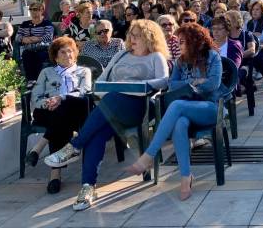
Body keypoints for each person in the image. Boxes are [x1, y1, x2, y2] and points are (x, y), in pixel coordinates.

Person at [43, 19, 170, 211]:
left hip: (139, 106)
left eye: (136, 35)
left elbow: (164, 81)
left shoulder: (155, 57)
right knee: (97, 134)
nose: (131, 38)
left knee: (112, 99)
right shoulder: (121, 55)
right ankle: (87, 187)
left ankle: (75, 146)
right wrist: (105, 90)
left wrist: (144, 85)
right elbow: (101, 81)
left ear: (149, 37)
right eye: (130, 35)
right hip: (112, 106)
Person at [126, 23, 223, 200]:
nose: (179, 45)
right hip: (186, 108)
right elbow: (172, 84)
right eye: (178, 42)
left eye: (183, 42)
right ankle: (186, 177)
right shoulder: (180, 61)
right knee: (179, 123)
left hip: (209, 108)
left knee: (176, 105)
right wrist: (195, 82)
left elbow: (213, 85)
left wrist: (193, 83)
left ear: (194, 41)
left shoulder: (212, 57)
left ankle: (148, 155)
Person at [26, 37, 92, 194]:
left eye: (70, 51)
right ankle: (54, 171)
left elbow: (85, 90)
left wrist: (61, 98)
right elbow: (35, 96)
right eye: (63, 52)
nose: (68, 55)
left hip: (75, 110)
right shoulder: (46, 72)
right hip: (47, 111)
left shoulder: (84, 71)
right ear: (55, 56)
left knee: (66, 107)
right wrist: (48, 103)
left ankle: (48, 164)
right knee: (60, 116)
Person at [17, 2, 56, 81]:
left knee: (39, 55)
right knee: (26, 54)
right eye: (30, 9)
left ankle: (38, 80)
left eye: (35, 9)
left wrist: (37, 39)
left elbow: (49, 37)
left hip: (43, 48)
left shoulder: (47, 23)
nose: (32, 11)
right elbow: (17, 37)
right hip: (28, 48)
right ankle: (31, 81)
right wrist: (24, 39)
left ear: (41, 10)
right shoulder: (25, 24)